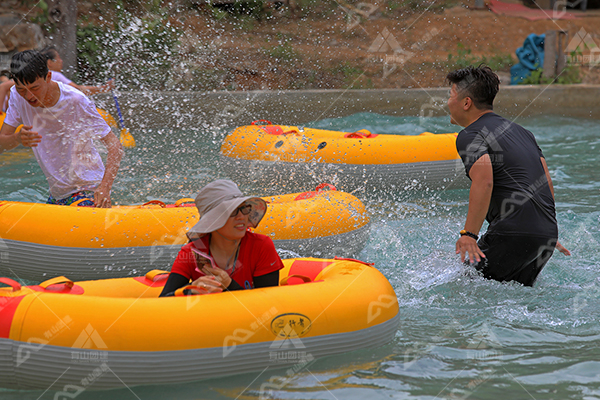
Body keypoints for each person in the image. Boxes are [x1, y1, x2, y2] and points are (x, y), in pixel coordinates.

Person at [447, 64, 570, 286]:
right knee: (517, 300)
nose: (447, 103)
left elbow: (484, 182)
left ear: (466, 103)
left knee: (464, 286)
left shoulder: (470, 134)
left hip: (513, 232)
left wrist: (469, 235)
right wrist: (542, 228)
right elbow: (545, 181)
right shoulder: (523, 132)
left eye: (450, 95)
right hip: (546, 234)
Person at [0, 50, 123, 207]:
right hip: (58, 194)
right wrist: (17, 138)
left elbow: (115, 146)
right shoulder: (17, 96)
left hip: (88, 189)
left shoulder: (75, 100)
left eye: (35, 88)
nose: (29, 96)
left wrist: (104, 188)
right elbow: (2, 143)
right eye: (21, 89)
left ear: (48, 77)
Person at [160, 180, 284, 297]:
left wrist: (229, 285)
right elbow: (162, 302)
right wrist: (190, 289)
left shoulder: (261, 245)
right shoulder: (190, 252)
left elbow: (269, 303)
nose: (241, 216)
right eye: (232, 211)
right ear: (212, 221)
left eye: (244, 208)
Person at [40, 46, 114, 96]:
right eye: (58, 58)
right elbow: (77, 89)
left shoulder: (39, 76)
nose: (61, 61)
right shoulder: (54, 75)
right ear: (50, 62)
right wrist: (104, 88)